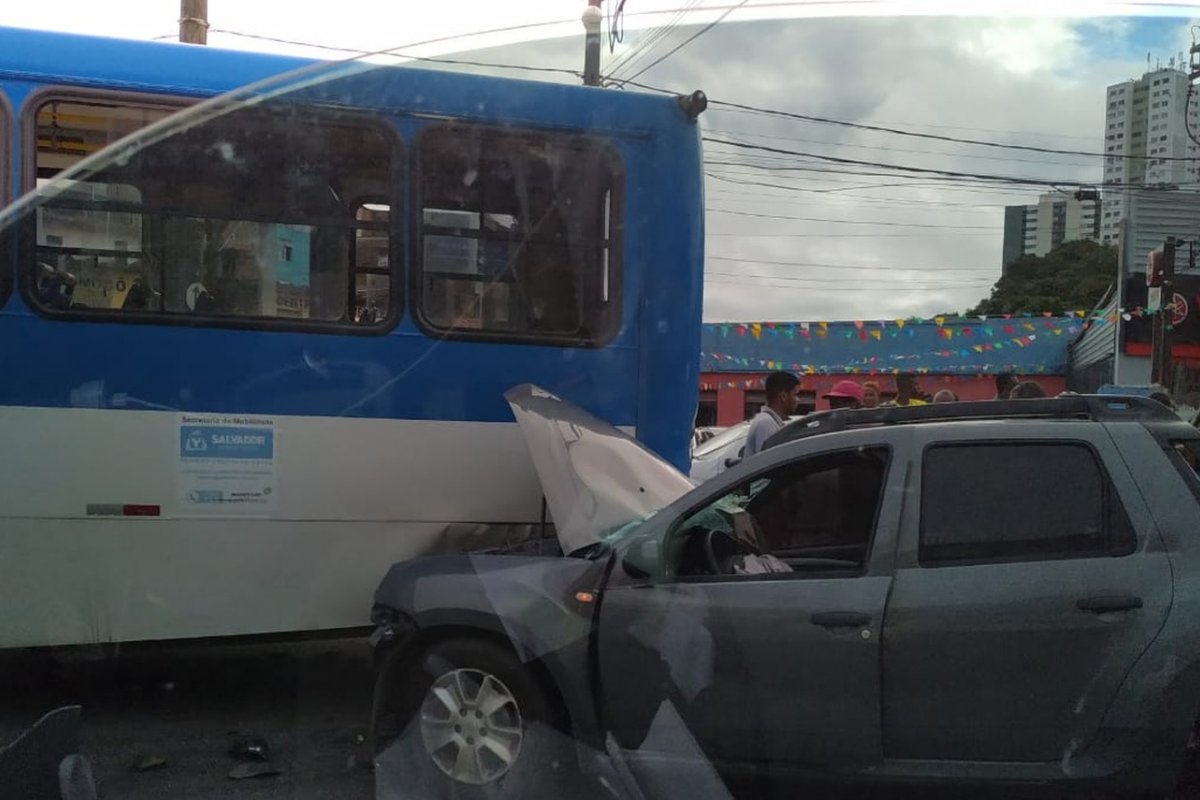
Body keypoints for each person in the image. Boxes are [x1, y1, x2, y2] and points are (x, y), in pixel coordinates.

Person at [744, 371, 800, 458]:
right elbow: (767, 462)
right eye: (795, 394)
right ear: (783, 396)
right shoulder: (766, 423)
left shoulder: (771, 421)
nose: (798, 400)